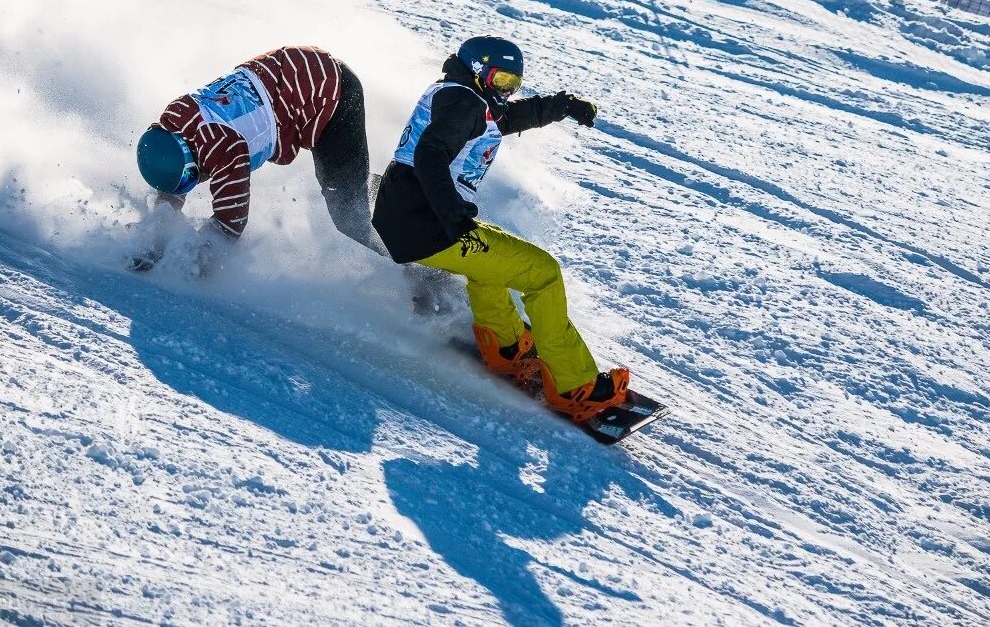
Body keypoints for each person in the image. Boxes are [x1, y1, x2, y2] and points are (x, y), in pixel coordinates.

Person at [372, 35, 629, 423]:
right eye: (500, 80)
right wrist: (456, 221)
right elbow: (429, 154)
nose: (505, 91)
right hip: (429, 224)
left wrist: (561, 106)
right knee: (543, 274)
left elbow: (507, 119)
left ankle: (506, 348)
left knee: (491, 261)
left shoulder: (465, 96)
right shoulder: (464, 103)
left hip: (410, 219)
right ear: (479, 71)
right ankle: (575, 387)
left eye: (513, 84)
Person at [134, 45, 383, 268]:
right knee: (346, 182)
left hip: (328, 94)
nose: (193, 180)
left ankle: (414, 269)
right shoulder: (173, 121)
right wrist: (156, 237)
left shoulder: (224, 147)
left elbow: (230, 224)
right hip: (287, 73)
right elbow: (171, 185)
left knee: (349, 217)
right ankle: (382, 187)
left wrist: (192, 262)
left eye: (190, 176)